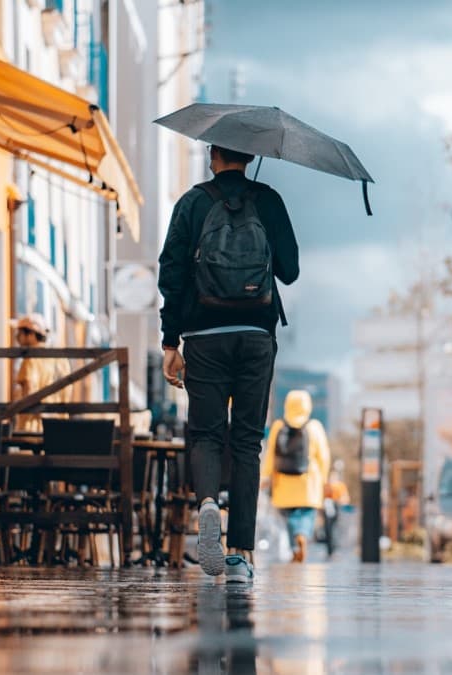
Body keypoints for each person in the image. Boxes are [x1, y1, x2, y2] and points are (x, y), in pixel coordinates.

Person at [158, 144, 299, 583]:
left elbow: (171, 272)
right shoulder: (269, 201)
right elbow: (291, 271)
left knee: (205, 433)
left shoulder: (193, 202)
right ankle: (240, 555)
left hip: (203, 337)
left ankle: (206, 505)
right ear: (250, 157)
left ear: (212, 155)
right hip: (257, 336)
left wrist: (170, 341)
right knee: (246, 442)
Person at [260, 390, 331, 563]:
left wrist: (265, 476)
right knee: (305, 515)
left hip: (283, 483)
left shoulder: (278, 426)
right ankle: (301, 537)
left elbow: (270, 455)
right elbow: (324, 456)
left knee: (288, 516)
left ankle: (294, 547)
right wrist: (324, 478)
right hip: (308, 482)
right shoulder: (314, 427)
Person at [12, 313, 71, 433]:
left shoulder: (31, 359)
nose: (17, 337)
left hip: (33, 427)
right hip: (58, 426)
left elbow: (29, 391)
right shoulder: (61, 359)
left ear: (31, 334)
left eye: (20, 333)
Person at [322, 461, 351, 558]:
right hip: (327, 506)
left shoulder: (340, 485)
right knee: (328, 529)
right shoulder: (326, 485)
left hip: (336, 507)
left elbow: (345, 498)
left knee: (335, 529)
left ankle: (334, 550)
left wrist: (340, 500)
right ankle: (330, 550)